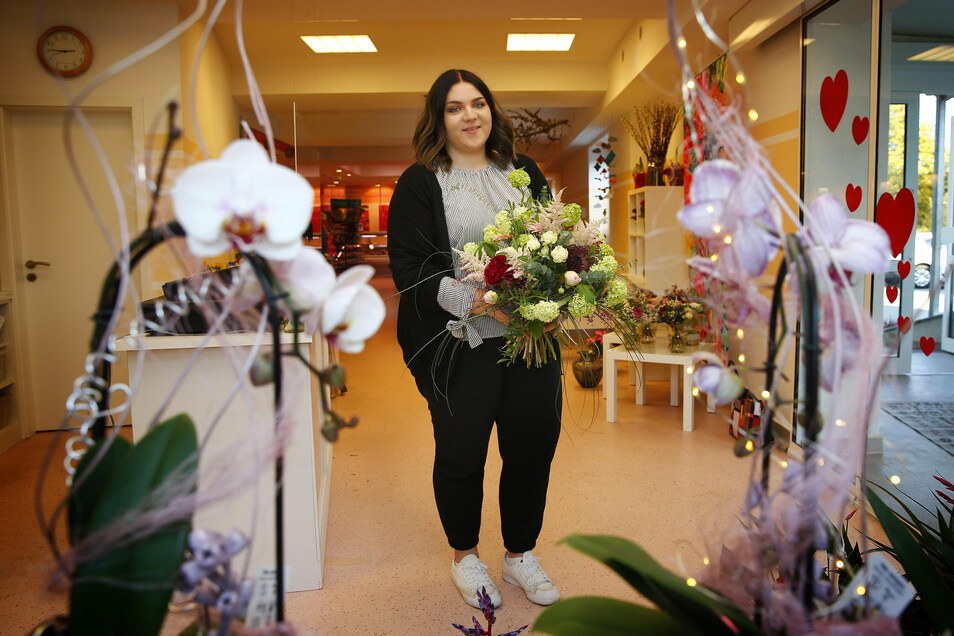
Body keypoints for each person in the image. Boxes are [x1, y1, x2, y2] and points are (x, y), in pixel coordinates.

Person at [388, 69, 562, 610]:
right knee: (462, 454)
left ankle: (519, 555)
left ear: (493, 111)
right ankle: (466, 557)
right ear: (439, 119)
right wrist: (480, 302)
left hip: (529, 339)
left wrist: (556, 290)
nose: (471, 116)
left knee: (532, 447)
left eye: (479, 104)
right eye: (456, 107)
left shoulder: (522, 172)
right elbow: (411, 270)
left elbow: (551, 242)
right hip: (463, 342)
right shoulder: (421, 183)